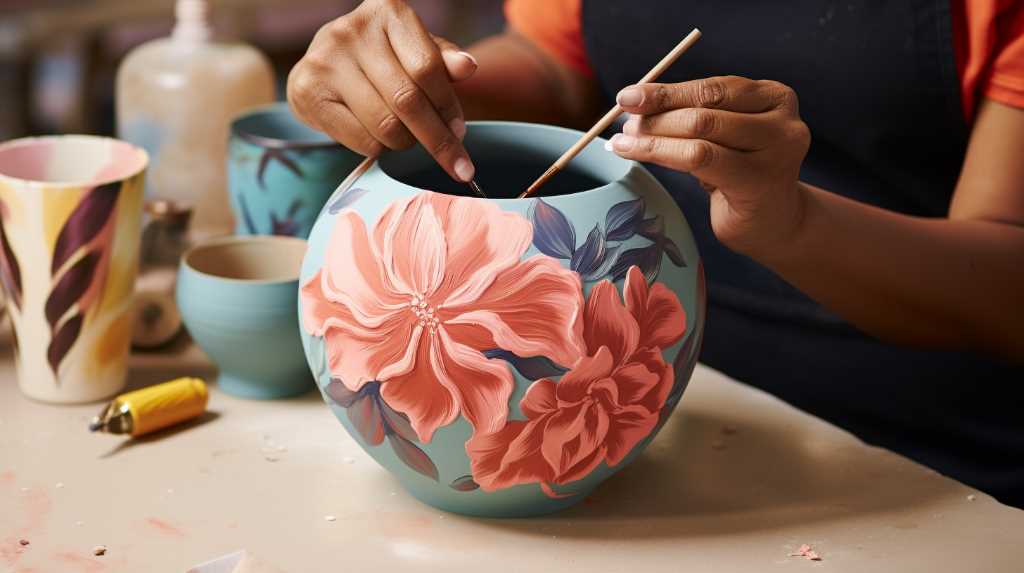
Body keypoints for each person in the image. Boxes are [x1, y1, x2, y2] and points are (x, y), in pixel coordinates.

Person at [287, 0, 1024, 506]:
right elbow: (557, 67)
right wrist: (403, 86)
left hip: (927, 468)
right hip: (691, 414)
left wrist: (790, 223)